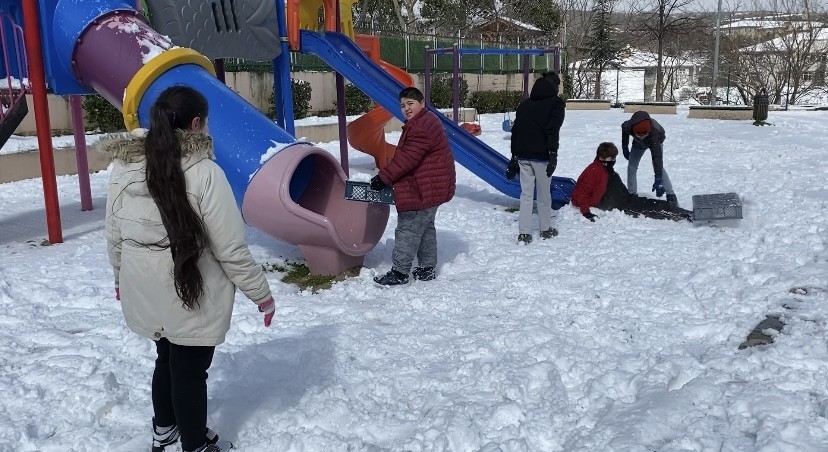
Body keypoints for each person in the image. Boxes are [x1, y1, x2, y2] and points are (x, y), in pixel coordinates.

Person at [104, 86, 275, 452]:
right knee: (189, 372)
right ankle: (194, 445)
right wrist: (262, 295)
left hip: (143, 287)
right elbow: (229, 248)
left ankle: (165, 432)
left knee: (166, 357)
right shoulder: (205, 173)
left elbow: (115, 232)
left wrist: (119, 276)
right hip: (189, 291)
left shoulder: (124, 167)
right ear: (196, 124)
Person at [369, 87, 456, 286]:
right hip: (432, 186)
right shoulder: (426, 121)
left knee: (408, 229)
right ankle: (426, 268)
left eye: (410, 104)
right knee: (425, 228)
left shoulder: (421, 127)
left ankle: (399, 273)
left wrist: (383, 178)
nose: (406, 109)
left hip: (422, 189)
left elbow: (407, 159)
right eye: (402, 105)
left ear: (422, 103)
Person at [506, 70, 566, 244]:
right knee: (543, 194)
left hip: (523, 154)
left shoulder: (524, 104)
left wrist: (514, 155)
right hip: (542, 156)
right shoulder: (556, 104)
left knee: (526, 194)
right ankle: (545, 229)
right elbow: (552, 130)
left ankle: (524, 233)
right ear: (555, 86)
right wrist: (553, 153)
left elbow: (516, 130)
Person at [572, 142, 692, 222]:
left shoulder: (604, 167)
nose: (614, 160)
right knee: (650, 210)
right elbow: (581, 193)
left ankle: (682, 211)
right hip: (619, 204)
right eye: (612, 158)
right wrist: (586, 213)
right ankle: (685, 215)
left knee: (650, 203)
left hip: (624, 198)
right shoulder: (593, 171)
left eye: (614, 158)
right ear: (602, 158)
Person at [620, 110, 679, 209]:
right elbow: (625, 132)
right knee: (632, 166)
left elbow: (657, 158)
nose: (642, 137)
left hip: (656, 141)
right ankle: (632, 195)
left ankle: (671, 195)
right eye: (639, 135)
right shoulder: (628, 126)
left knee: (659, 166)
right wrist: (625, 147)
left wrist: (658, 177)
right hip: (638, 144)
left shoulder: (654, 133)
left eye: (644, 134)